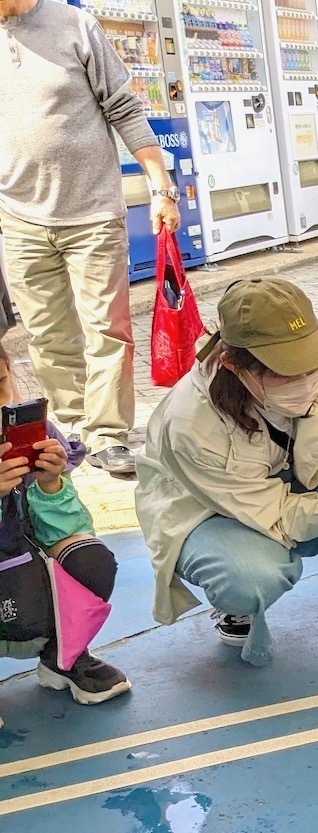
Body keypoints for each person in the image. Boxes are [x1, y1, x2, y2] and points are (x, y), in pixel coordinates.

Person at [134, 279, 318, 666]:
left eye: (309, 362)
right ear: (233, 364)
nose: (308, 380)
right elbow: (270, 511)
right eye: (286, 372)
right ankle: (237, 604)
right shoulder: (190, 424)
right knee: (247, 579)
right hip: (211, 509)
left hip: (299, 480)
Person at [0, 0, 183, 478]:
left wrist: (161, 187)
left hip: (93, 212)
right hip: (18, 216)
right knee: (45, 334)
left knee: (108, 329)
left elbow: (123, 106)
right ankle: (72, 426)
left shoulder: (75, 24)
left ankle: (107, 435)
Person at [0, 342, 128, 711]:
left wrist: (50, 484)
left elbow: (70, 527)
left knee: (89, 557)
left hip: (19, 561)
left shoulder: (33, 434)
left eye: (0, 383)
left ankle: (64, 656)